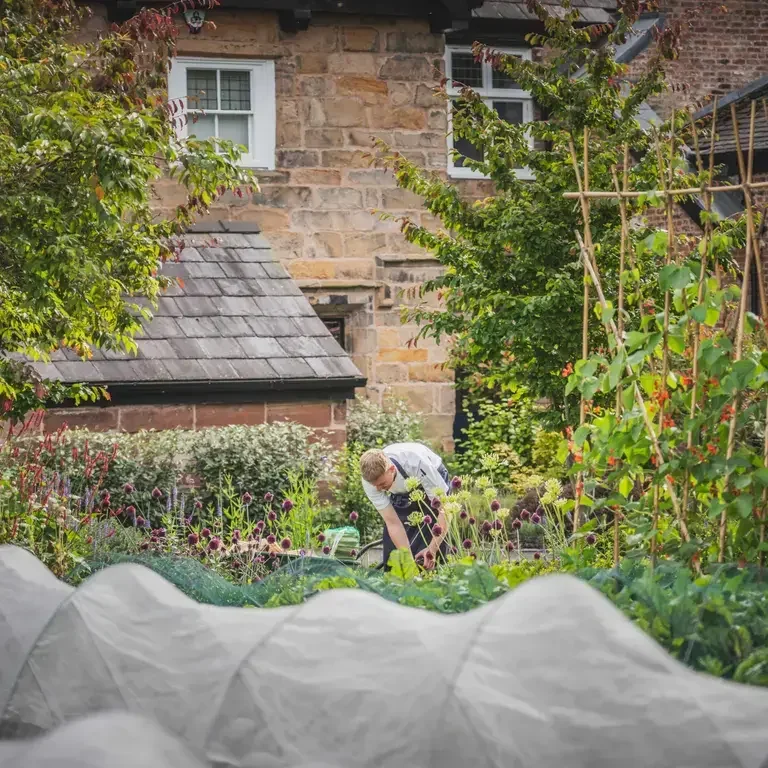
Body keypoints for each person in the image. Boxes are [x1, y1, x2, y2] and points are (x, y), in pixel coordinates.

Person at [359, 442, 451, 570]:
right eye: (375, 486)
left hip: (430, 479)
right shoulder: (370, 481)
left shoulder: (417, 463)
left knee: (431, 542)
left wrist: (432, 549)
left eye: (382, 484)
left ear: (391, 470)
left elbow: (445, 510)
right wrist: (408, 563)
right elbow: (392, 522)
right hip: (400, 492)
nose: (379, 489)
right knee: (395, 553)